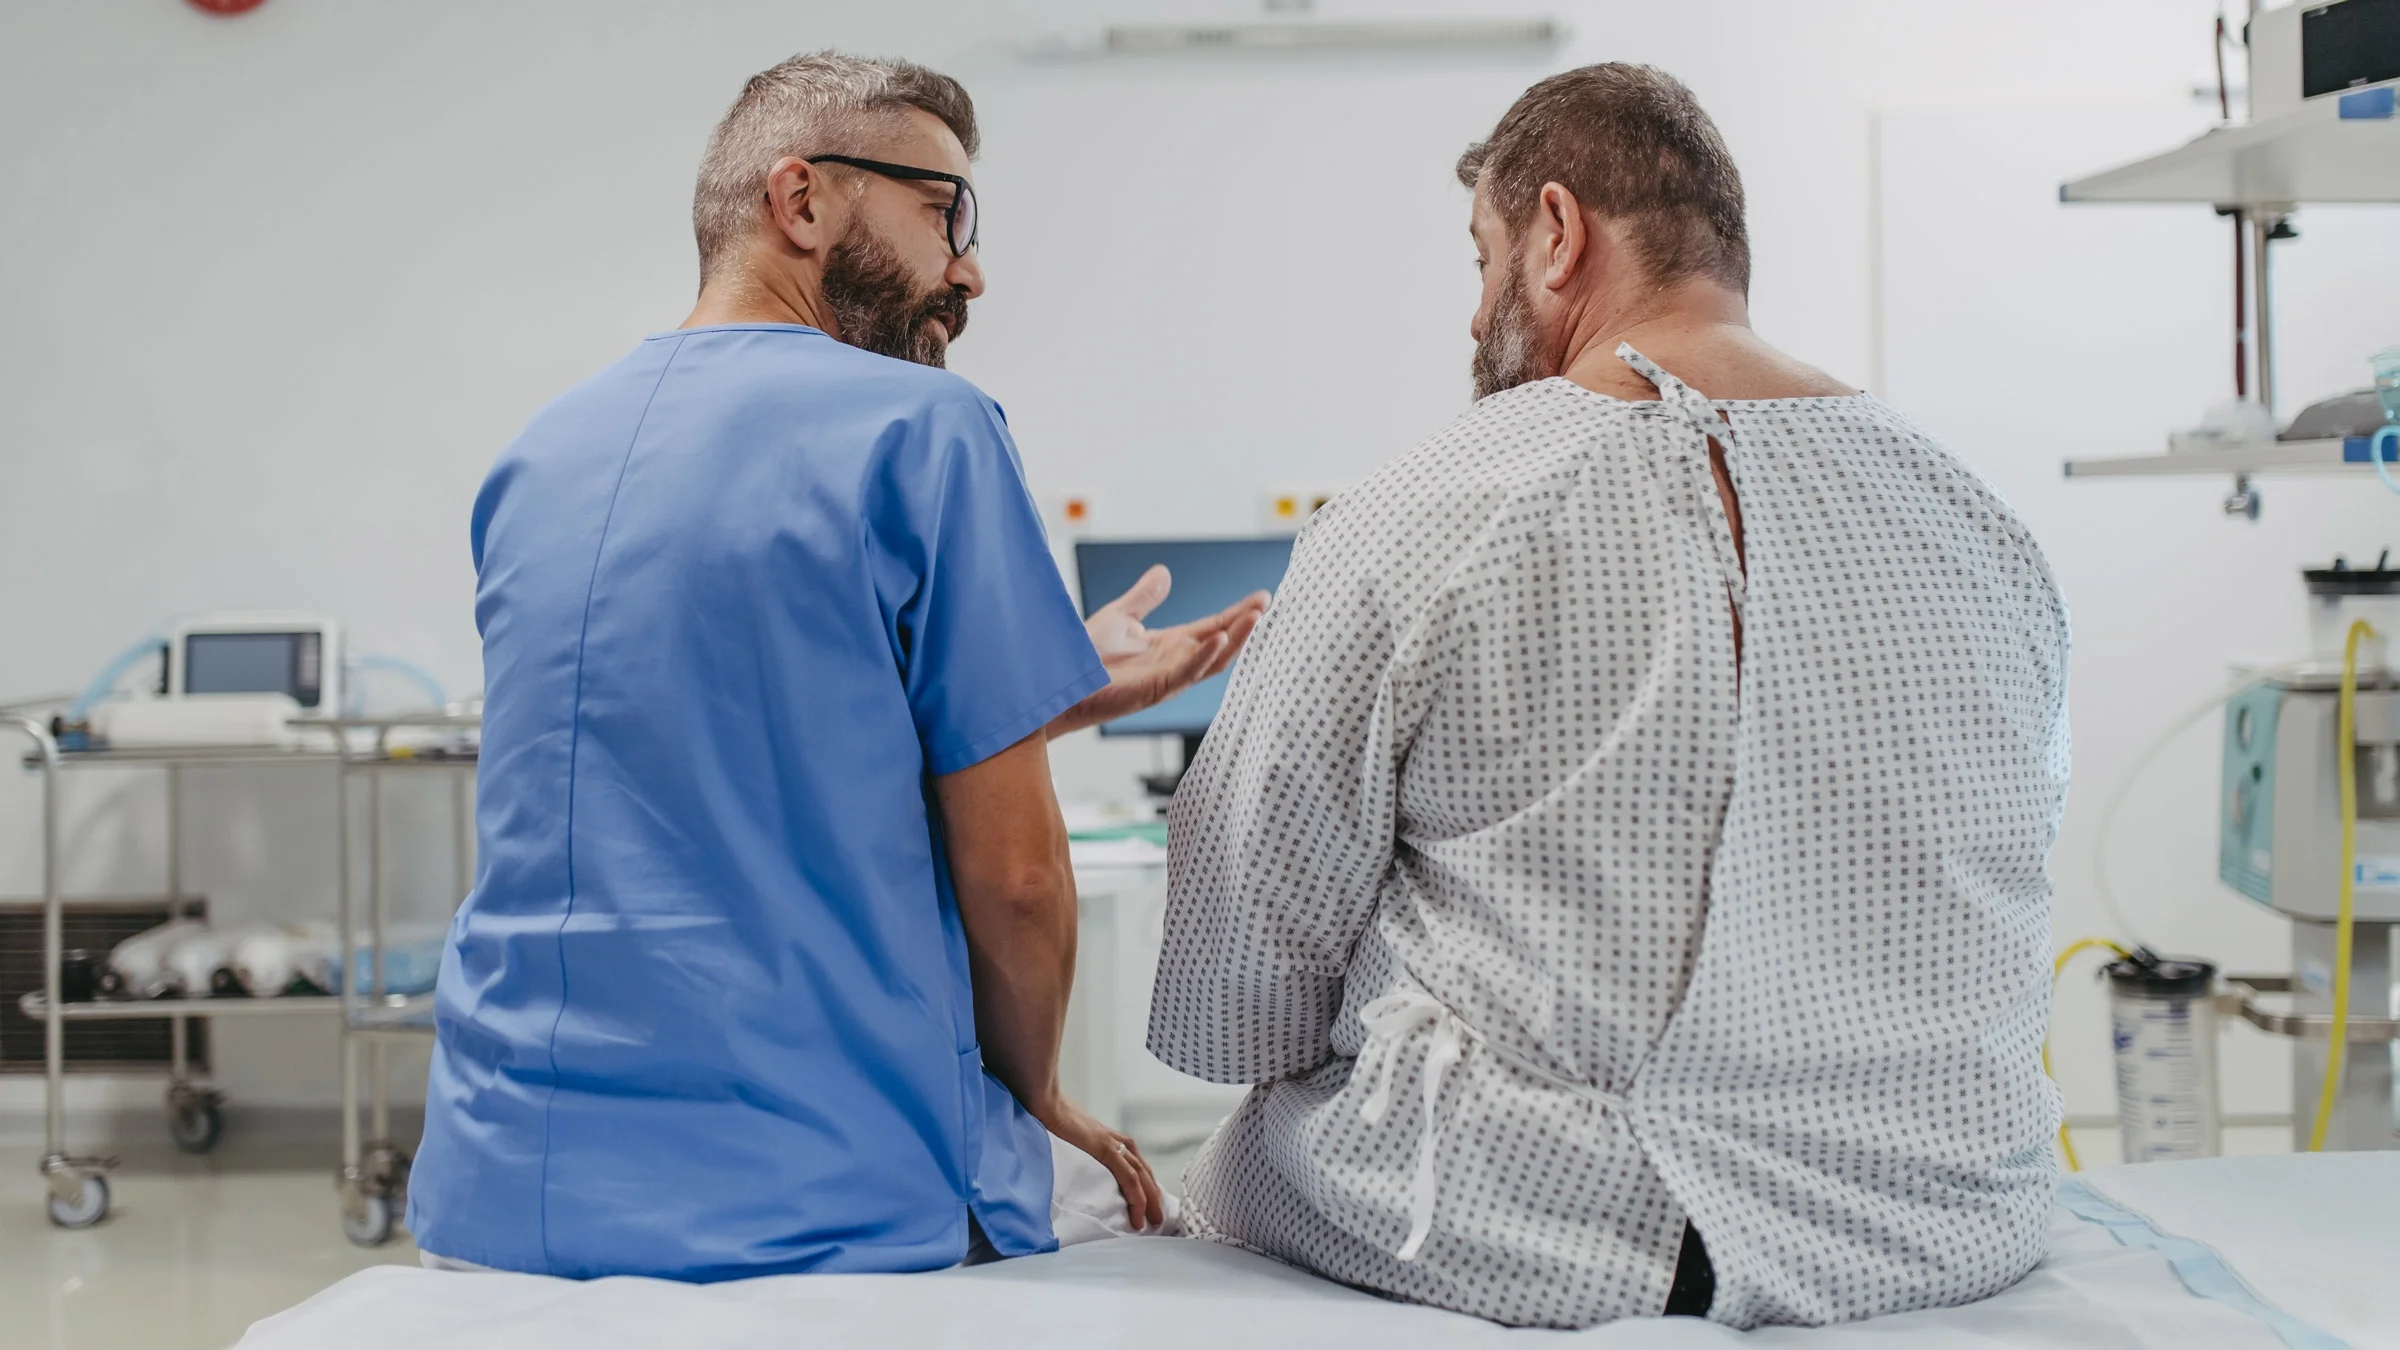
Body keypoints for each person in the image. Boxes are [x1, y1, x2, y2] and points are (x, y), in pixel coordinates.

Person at [1148, 64, 2070, 1330]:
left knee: (1236, 1157)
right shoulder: (1976, 518)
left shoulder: (1424, 512)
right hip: (1951, 1217)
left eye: (1484, 259)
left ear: (1558, 233)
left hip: (1572, 1234)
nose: (1476, 318)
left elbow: (1236, 985)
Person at [407, 51, 1263, 1279]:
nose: (968, 267)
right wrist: (1036, 1099)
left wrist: (1044, 699)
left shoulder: (539, 453)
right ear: (800, 200)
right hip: (809, 1197)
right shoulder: (928, 429)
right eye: (941, 212)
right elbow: (1018, 879)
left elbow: (733, 751)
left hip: (498, 1190)